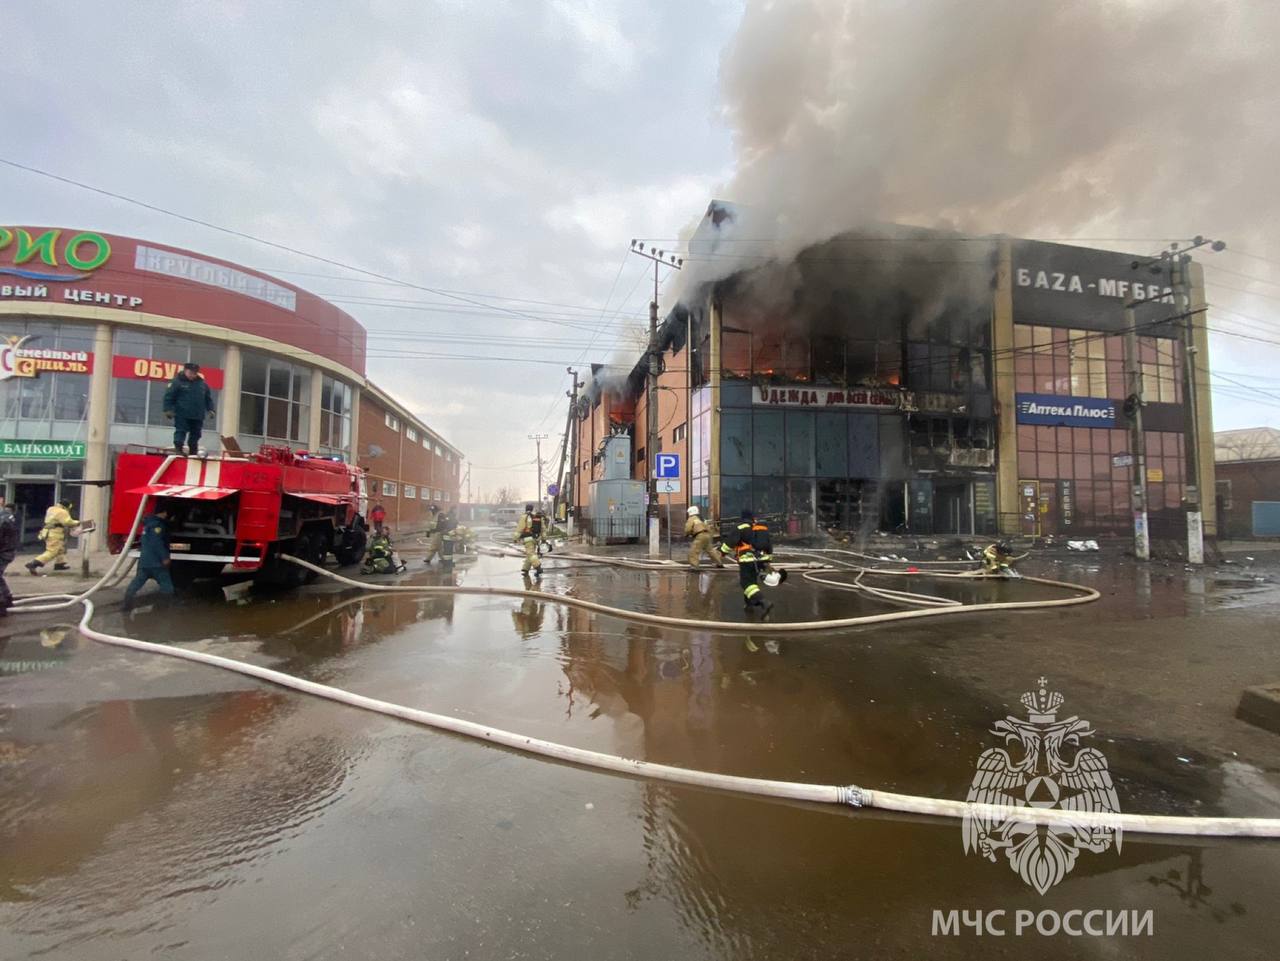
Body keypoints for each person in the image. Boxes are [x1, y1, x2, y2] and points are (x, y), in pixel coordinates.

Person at [122, 505, 175, 610]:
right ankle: (163, 609)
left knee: (135, 584)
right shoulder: (157, 525)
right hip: (157, 563)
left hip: (144, 562)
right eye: (165, 513)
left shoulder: (147, 524)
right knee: (167, 587)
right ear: (163, 513)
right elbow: (157, 543)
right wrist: (164, 557)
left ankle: (127, 606)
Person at [163, 362, 216, 456]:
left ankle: (193, 450)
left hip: (197, 415)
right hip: (182, 413)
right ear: (185, 371)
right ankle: (178, 448)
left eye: (195, 373)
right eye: (190, 373)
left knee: (196, 434)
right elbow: (169, 397)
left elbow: (208, 399)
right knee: (181, 431)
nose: (193, 375)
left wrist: (211, 410)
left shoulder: (202, 385)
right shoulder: (177, 382)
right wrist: (168, 409)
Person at [733, 508, 772, 616]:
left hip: (747, 559)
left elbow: (730, 542)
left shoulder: (741, 527)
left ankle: (764, 601)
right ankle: (749, 604)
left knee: (746, 583)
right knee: (752, 582)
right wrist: (768, 560)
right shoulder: (759, 528)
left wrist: (721, 552)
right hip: (760, 559)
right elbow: (768, 544)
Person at [26, 499, 79, 575]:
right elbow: (68, 522)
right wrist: (77, 522)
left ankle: (60, 564)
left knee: (60, 548)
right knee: (52, 551)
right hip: (55, 533)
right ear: (66, 506)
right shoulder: (62, 512)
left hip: (48, 531)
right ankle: (34, 563)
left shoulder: (51, 509)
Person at [0, 495, 18, 614]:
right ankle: (7, 599)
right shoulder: (7, 516)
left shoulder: (4, 518)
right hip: (6, 551)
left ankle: (1, 604)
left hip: (4, 552)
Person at [515, 503, 543, 578]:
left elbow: (519, 529)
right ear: (532, 509)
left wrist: (515, 538)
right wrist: (543, 539)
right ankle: (525, 569)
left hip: (528, 539)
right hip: (536, 539)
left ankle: (538, 567)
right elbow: (543, 529)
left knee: (531, 554)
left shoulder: (524, 517)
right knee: (529, 554)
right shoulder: (536, 517)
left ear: (526, 509)